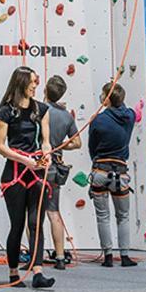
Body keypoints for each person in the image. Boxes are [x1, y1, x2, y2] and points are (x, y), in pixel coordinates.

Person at [0, 66, 55, 289]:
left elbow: (45, 140)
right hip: (15, 173)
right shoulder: (6, 112)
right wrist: (23, 159)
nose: (35, 85)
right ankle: (13, 273)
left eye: (36, 82)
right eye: (32, 82)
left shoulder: (41, 110)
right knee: (18, 225)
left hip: (37, 170)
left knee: (36, 222)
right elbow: (0, 147)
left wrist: (46, 152)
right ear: (21, 83)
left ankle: (38, 272)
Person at [88, 81, 136, 267]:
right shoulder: (130, 116)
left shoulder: (98, 120)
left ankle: (108, 256)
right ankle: (124, 256)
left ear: (106, 99)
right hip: (121, 172)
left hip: (100, 170)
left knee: (103, 216)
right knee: (123, 216)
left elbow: (92, 147)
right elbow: (126, 110)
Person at [43, 75, 81, 271]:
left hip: (39, 166)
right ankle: (59, 257)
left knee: (32, 213)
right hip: (56, 166)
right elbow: (77, 143)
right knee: (53, 212)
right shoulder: (66, 116)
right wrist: (60, 146)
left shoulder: (40, 111)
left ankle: (35, 258)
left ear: (45, 91)